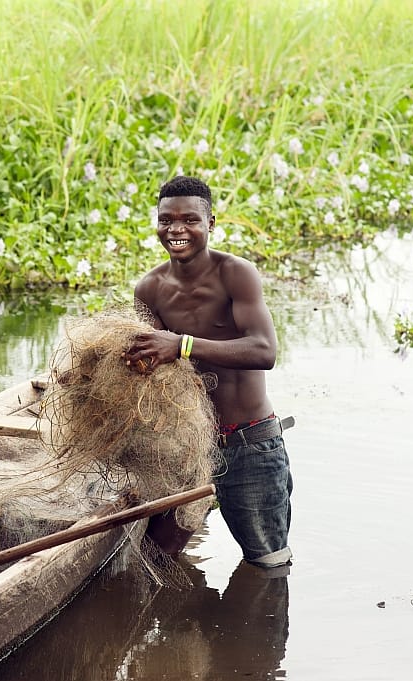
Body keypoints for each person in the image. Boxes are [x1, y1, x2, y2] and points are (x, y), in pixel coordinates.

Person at [124, 175, 294, 568]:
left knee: (268, 565)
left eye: (190, 220)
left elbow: (264, 350)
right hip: (186, 446)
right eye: (166, 220)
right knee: (155, 559)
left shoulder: (236, 274)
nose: (176, 230)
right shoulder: (149, 289)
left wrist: (181, 344)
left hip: (248, 443)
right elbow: (154, 367)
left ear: (211, 224)